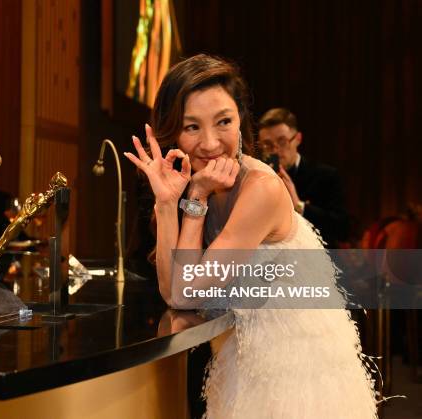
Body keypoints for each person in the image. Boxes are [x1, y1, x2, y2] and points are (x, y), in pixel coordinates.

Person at [124, 54, 377, 418]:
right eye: (191, 127)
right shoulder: (202, 182)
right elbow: (174, 292)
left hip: (293, 371)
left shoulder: (260, 189)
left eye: (223, 121)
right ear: (173, 132)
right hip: (242, 361)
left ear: (242, 120)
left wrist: (194, 198)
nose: (210, 143)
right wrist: (166, 202)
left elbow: (184, 291)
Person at [257, 107, 349, 248]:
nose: (275, 150)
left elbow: (342, 230)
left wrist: (299, 206)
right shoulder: (256, 179)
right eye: (267, 145)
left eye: (282, 142)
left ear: (298, 139)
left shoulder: (326, 176)